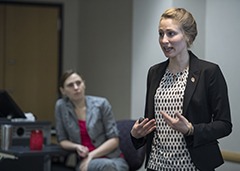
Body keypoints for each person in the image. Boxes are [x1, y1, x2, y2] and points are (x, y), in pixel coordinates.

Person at [130, 7, 232, 171]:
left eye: (171, 33)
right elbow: (151, 124)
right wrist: (136, 134)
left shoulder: (209, 72)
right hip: (157, 165)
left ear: (187, 36)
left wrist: (191, 129)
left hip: (193, 166)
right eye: (161, 33)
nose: (164, 40)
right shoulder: (154, 72)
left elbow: (225, 124)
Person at [55, 69, 129, 171]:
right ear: (63, 90)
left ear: (84, 84)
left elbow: (114, 140)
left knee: (109, 166)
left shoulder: (101, 104)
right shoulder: (61, 106)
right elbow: (62, 140)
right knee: (107, 166)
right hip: (87, 163)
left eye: (78, 83)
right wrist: (76, 146)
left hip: (114, 159)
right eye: (70, 85)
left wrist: (91, 155)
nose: (76, 88)